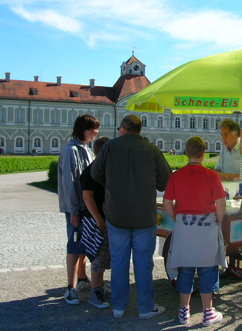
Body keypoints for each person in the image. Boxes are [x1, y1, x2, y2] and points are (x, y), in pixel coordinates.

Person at [91, 114, 171, 319]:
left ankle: (118, 307)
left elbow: (95, 174)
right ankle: (145, 307)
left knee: (119, 261)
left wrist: (111, 183)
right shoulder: (152, 149)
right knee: (144, 262)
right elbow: (165, 181)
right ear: (139, 130)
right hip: (144, 216)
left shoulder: (109, 147)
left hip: (117, 215)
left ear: (123, 129)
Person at [163, 136, 226, 326]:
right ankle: (208, 312)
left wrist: (177, 219)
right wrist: (220, 221)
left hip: (184, 227)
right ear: (203, 154)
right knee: (208, 268)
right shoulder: (211, 176)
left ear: (186, 153)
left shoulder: (176, 175)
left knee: (185, 268)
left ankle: (184, 311)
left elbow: (167, 203)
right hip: (207, 226)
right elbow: (221, 203)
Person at [58, 114, 100, 305]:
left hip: (86, 208)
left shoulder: (86, 149)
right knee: (74, 246)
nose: (96, 132)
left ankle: (82, 279)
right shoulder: (71, 151)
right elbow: (69, 183)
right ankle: (70, 288)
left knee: (84, 245)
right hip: (77, 209)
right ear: (83, 129)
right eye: (93, 128)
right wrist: (74, 211)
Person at [80, 136, 111, 309]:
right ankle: (95, 292)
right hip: (96, 220)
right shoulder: (93, 170)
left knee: (104, 255)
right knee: (98, 256)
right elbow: (87, 196)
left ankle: (99, 286)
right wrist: (99, 220)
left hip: (103, 219)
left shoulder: (102, 169)